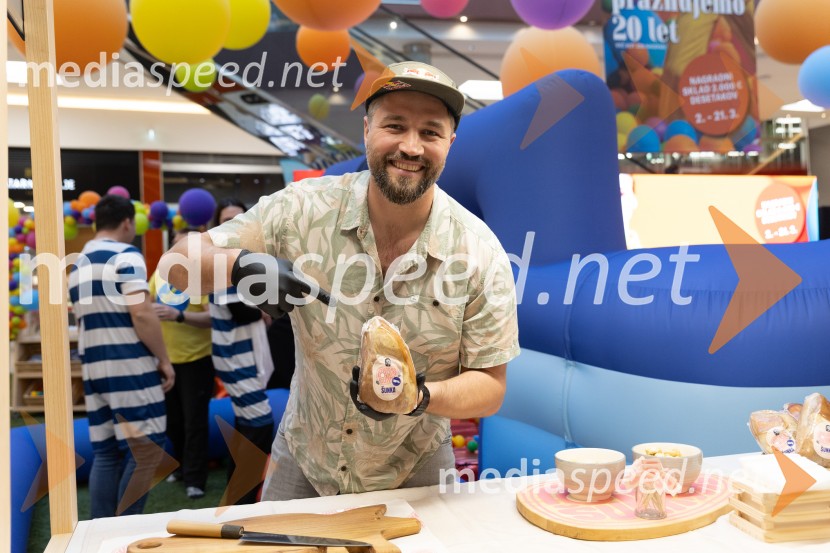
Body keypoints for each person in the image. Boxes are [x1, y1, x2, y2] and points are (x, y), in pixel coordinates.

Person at [162, 61, 520, 499]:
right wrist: (239, 264)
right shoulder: (301, 210)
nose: (411, 146)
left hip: (418, 467)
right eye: (395, 125)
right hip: (305, 459)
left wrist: (418, 397)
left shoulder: (479, 251)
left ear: (450, 142)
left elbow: (491, 386)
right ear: (367, 128)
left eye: (430, 132)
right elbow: (175, 267)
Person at [68, 194, 174, 518]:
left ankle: (100, 532)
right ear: (128, 222)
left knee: (106, 452)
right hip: (128, 363)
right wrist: (164, 360)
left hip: (93, 369)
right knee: (148, 449)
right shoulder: (126, 254)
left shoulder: (77, 265)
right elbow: (141, 312)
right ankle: (125, 527)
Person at [209, 200, 275, 504]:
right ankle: (241, 503)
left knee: (247, 426)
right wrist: (265, 307)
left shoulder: (241, 260)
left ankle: (238, 500)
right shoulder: (220, 261)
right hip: (237, 359)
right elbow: (243, 312)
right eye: (226, 219)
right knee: (258, 425)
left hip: (244, 356)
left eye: (239, 218)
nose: (233, 224)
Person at [149, 228, 215, 499]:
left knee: (194, 421)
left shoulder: (205, 277)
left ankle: (195, 478)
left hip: (196, 359)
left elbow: (213, 320)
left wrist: (179, 316)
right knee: (171, 421)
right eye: (177, 245)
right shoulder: (158, 275)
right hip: (165, 360)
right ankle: (180, 467)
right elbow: (146, 310)